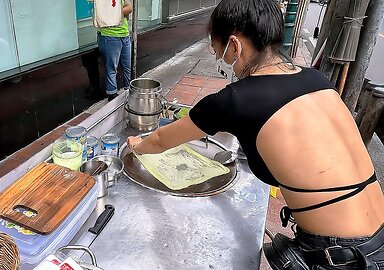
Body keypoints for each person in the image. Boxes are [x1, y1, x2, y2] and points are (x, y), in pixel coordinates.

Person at [127, 0, 384, 269]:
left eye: (219, 52)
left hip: (342, 258)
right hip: (379, 239)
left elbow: (158, 140)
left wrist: (137, 144)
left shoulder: (235, 101)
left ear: (235, 46)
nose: (221, 61)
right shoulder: (317, 80)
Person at [97, 0, 133, 101]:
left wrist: (116, 13)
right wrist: (120, 12)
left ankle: (129, 91)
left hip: (124, 34)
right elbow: (104, 14)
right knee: (111, 67)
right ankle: (112, 95)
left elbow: (129, 7)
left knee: (127, 67)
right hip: (109, 35)